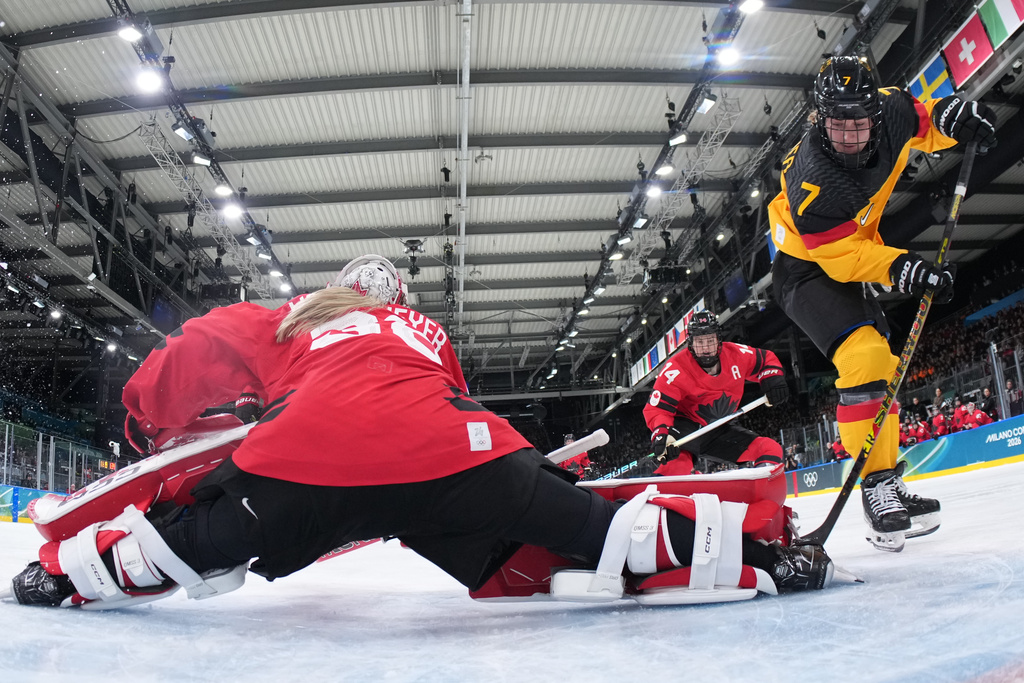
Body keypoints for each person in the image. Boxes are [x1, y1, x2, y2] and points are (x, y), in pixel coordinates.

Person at [8, 255, 833, 609]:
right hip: (454, 461)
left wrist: (147, 417)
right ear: (400, 297)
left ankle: (60, 579)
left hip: (304, 464)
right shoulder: (424, 332)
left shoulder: (297, 317)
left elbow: (198, 348)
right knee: (594, 526)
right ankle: (766, 556)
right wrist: (536, 483)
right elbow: (458, 411)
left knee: (189, 540)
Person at [768, 55, 995, 551]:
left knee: (884, 364)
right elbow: (844, 261)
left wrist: (949, 118)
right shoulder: (813, 179)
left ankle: (886, 479)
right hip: (806, 264)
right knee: (864, 356)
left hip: (854, 244)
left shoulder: (891, 110)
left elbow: (924, 120)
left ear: (875, 110)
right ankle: (875, 490)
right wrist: (901, 267)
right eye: (837, 123)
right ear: (818, 119)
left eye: (858, 121)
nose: (849, 135)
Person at [643, 310, 789, 476]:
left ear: (719, 340)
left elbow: (766, 360)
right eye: (700, 341)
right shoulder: (675, 369)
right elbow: (658, 409)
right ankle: (657, 495)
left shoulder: (736, 355)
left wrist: (773, 379)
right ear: (690, 342)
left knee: (770, 449)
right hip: (686, 429)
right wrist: (662, 433)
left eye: (710, 340)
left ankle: (762, 490)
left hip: (719, 428)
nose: (705, 348)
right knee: (677, 465)